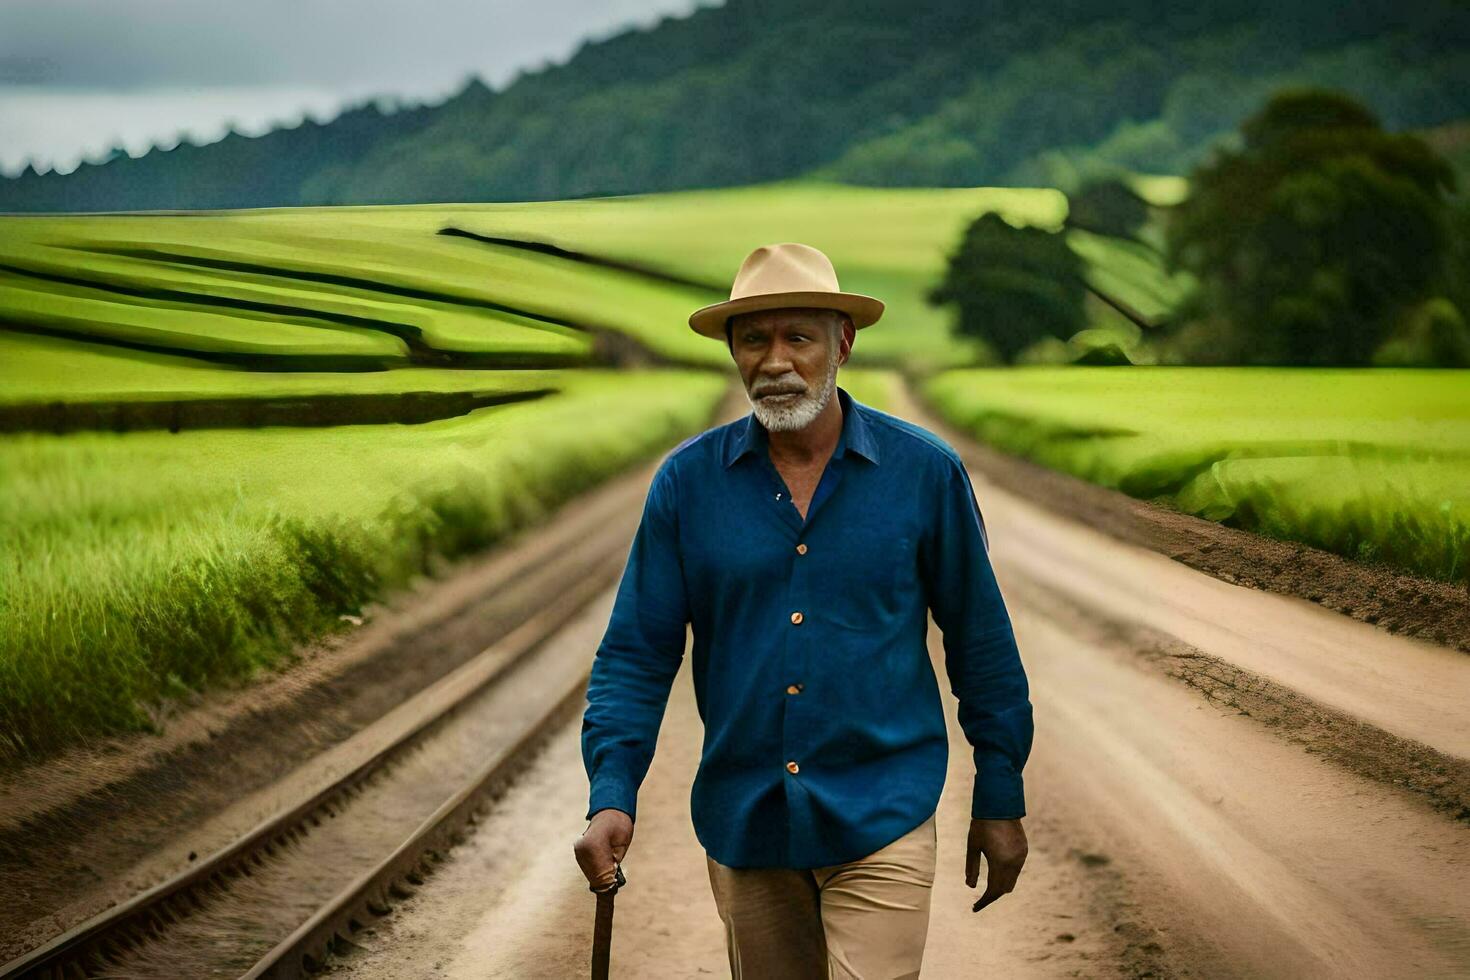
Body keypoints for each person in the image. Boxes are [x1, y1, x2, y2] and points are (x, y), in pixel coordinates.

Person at [573, 241, 1033, 978]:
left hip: (883, 809)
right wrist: (611, 793)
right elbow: (636, 652)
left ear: (841, 343)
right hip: (746, 820)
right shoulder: (687, 486)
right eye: (754, 338)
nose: (776, 360)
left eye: (799, 337)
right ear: (733, 350)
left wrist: (1000, 793)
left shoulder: (924, 474)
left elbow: (981, 643)